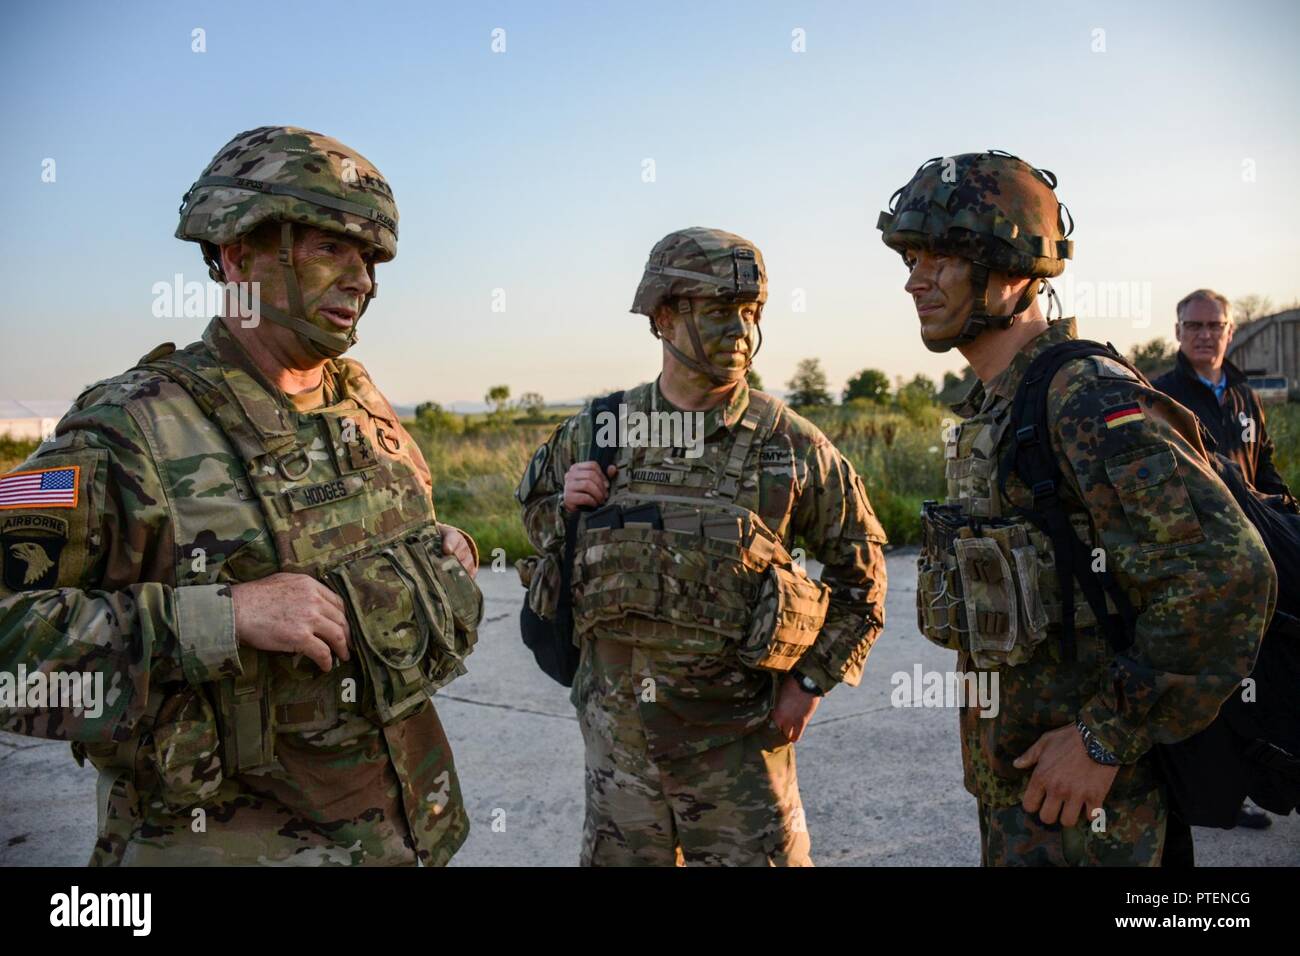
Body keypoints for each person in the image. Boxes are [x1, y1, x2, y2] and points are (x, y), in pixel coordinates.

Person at [0, 126, 482, 866]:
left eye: (370, 258)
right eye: (329, 249)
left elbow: (388, 524)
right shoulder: (126, 430)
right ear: (237, 253)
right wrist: (222, 618)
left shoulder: (361, 402)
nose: (361, 280)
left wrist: (442, 547)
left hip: (404, 834)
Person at [877, 151, 1276, 865]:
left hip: (1095, 816)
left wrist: (1105, 737)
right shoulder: (997, 405)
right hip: (1023, 800)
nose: (916, 279)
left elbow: (1226, 574)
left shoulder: (1083, 397)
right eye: (911, 256)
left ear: (1012, 263)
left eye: (941, 257)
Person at [516, 227, 888, 865]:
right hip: (619, 752)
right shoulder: (599, 429)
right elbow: (536, 522)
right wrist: (566, 508)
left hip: (738, 751)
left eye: (751, 313)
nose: (740, 330)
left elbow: (864, 580)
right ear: (664, 316)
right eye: (719, 310)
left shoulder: (790, 445)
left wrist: (809, 680)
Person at [1153, 288, 1293, 833]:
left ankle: (1247, 786)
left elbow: (1267, 467)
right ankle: (1207, 796)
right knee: (1209, 681)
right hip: (1204, 560)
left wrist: (1290, 522)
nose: (1206, 334)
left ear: (1230, 331)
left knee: (1257, 678)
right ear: (1178, 331)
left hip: (1261, 553)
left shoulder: (1242, 393)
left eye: (1216, 325)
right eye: (1196, 325)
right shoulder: (1165, 396)